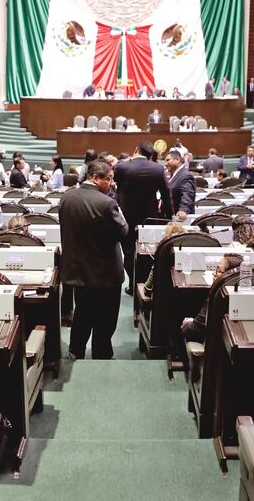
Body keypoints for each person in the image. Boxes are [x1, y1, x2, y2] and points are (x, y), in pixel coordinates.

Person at [59, 159, 128, 359]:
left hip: (78, 271)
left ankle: (75, 351)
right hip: (105, 274)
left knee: (82, 314)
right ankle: (102, 355)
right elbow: (123, 232)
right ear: (95, 178)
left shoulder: (67, 198)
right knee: (105, 321)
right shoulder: (107, 203)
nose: (112, 183)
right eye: (109, 179)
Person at [115, 142, 173, 287]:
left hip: (125, 218)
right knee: (147, 251)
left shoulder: (122, 167)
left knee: (128, 252)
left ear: (135, 150)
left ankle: (133, 283)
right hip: (150, 219)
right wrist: (169, 217)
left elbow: (115, 188)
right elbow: (166, 196)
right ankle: (144, 282)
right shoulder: (158, 168)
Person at [180, 253, 244, 344]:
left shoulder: (217, 295)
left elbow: (195, 330)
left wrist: (187, 324)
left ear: (229, 276)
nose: (214, 273)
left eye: (218, 270)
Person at [165, 149, 195, 220]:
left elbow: (187, 194)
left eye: (168, 160)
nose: (165, 164)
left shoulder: (185, 175)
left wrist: (183, 210)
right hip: (170, 218)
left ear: (177, 159)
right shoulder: (174, 175)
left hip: (179, 219)